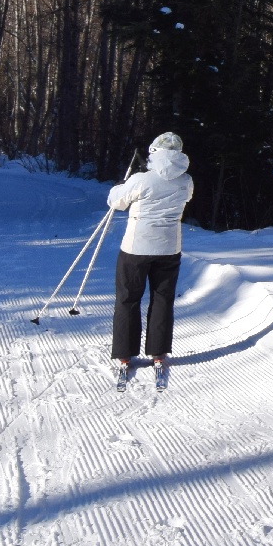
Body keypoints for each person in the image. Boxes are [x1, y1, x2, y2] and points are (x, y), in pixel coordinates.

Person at [108, 132, 194, 390]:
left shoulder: (141, 179)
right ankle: (158, 352)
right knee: (162, 299)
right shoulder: (186, 180)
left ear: (154, 152)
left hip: (136, 248)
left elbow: (116, 202)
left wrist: (120, 186)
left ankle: (125, 354)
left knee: (128, 298)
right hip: (169, 248)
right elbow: (186, 199)